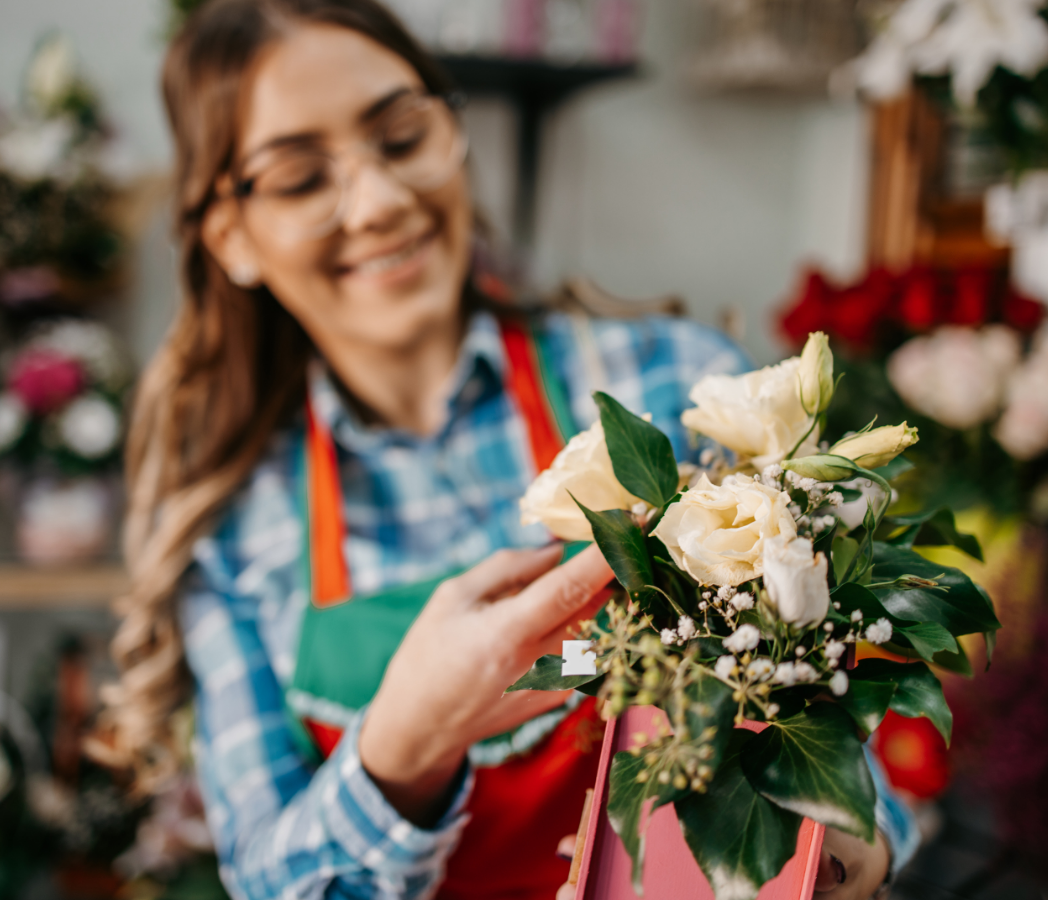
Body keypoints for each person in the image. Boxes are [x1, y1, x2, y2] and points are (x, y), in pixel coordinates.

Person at [101, 1, 911, 897]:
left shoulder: (682, 390)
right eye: (298, 179)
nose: (379, 201)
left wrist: (845, 859)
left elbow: (852, 763)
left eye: (402, 135)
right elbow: (270, 876)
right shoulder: (232, 527)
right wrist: (404, 745)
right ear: (231, 237)